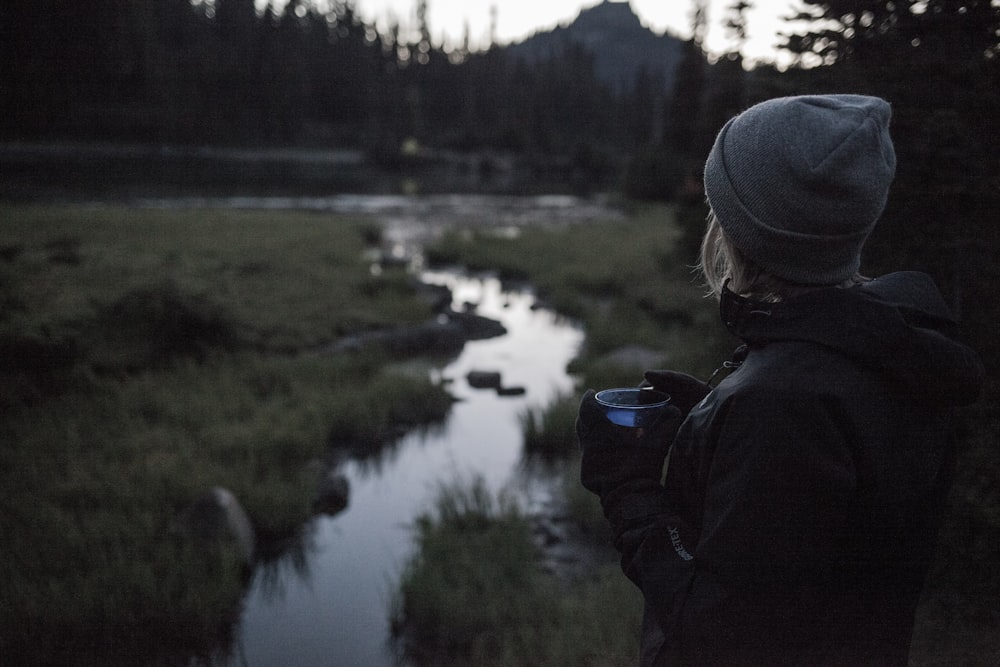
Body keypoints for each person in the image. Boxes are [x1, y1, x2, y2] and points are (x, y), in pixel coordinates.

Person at [576, 94, 985, 666]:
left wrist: (629, 489)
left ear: (746, 228)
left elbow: (715, 635)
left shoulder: (783, 405)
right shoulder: (889, 349)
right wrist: (712, 417)